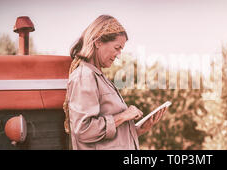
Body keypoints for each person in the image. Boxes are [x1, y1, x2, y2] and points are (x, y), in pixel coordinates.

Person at [62, 15, 166, 150]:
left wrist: (139, 129)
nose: (118, 54)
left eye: (121, 49)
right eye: (117, 48)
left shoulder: (100, 78)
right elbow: (83, 130)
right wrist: (123, 116)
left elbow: (109, 137)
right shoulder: (84, 76)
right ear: (98, 41)